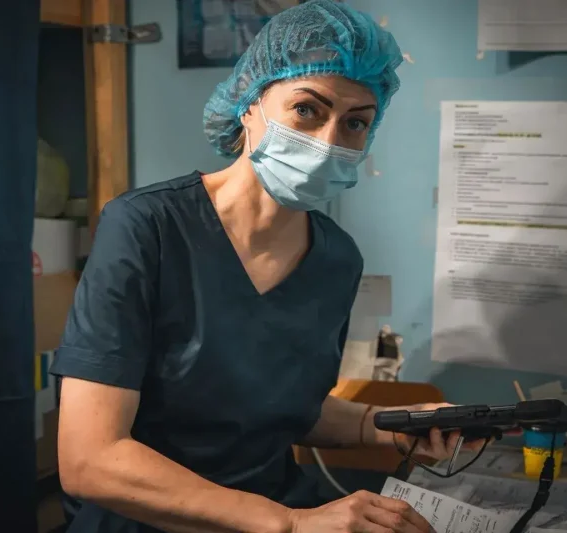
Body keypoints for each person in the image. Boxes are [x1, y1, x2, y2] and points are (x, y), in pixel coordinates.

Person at [49, 1, 486, 532]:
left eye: (355, 123)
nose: (328, 142)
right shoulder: (147, 228)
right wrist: (291, 523)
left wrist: (390, 425)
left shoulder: (336, 258)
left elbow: (286, 408)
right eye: (307, 109)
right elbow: (90, 459)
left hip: (278, 508)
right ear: (249, 102)